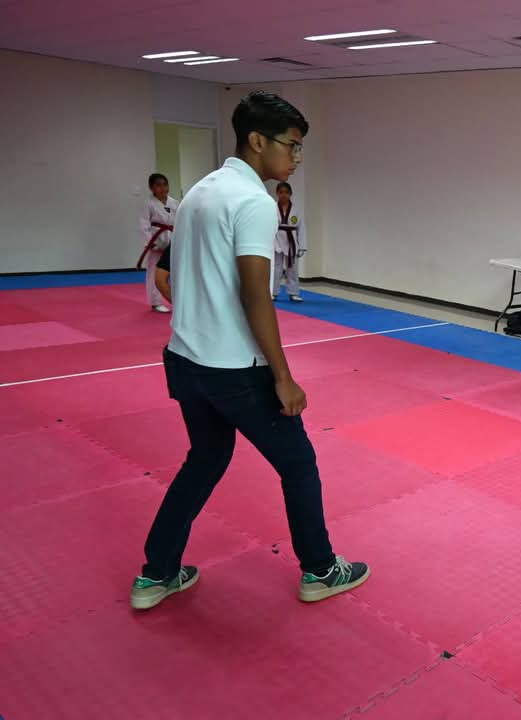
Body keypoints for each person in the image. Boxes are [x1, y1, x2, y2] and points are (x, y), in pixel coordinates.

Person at [130, 91, 369, 611]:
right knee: (299, 463)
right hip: (233, 370)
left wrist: (197, 315)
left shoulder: (198, 193)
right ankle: (321, 568)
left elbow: (168, 275)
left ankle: (157, 573)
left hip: (184, 361)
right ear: (257, 141)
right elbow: (255, 293)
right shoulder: (254, 202)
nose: (297, 158)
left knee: (206, 460)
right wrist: (282, 375)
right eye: (293, 146)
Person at [137, 173, 178, 313]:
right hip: (156, 240)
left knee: (173, 272)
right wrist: (150, 243)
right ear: (151, 188)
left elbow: (179, 222)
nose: (162, 188)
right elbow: (144, 225)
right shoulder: (148, 204)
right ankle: (156, 302)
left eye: (165, 184)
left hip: (171, 239)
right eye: (158, 185)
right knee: (154, 272)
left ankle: (175, 299)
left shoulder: (174, 203)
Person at [272, 181, 305, 302]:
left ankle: (294, 292)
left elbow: (301, 228)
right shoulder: (272, 208)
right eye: (281, 192)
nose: (283, 195)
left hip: (291, 241)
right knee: (276, 268)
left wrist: (302, 246)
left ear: (290, 194)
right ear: (277, 194)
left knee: (293, 268)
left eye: (286, 192)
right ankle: (273, 292)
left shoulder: (296, 210)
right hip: (276, 239)